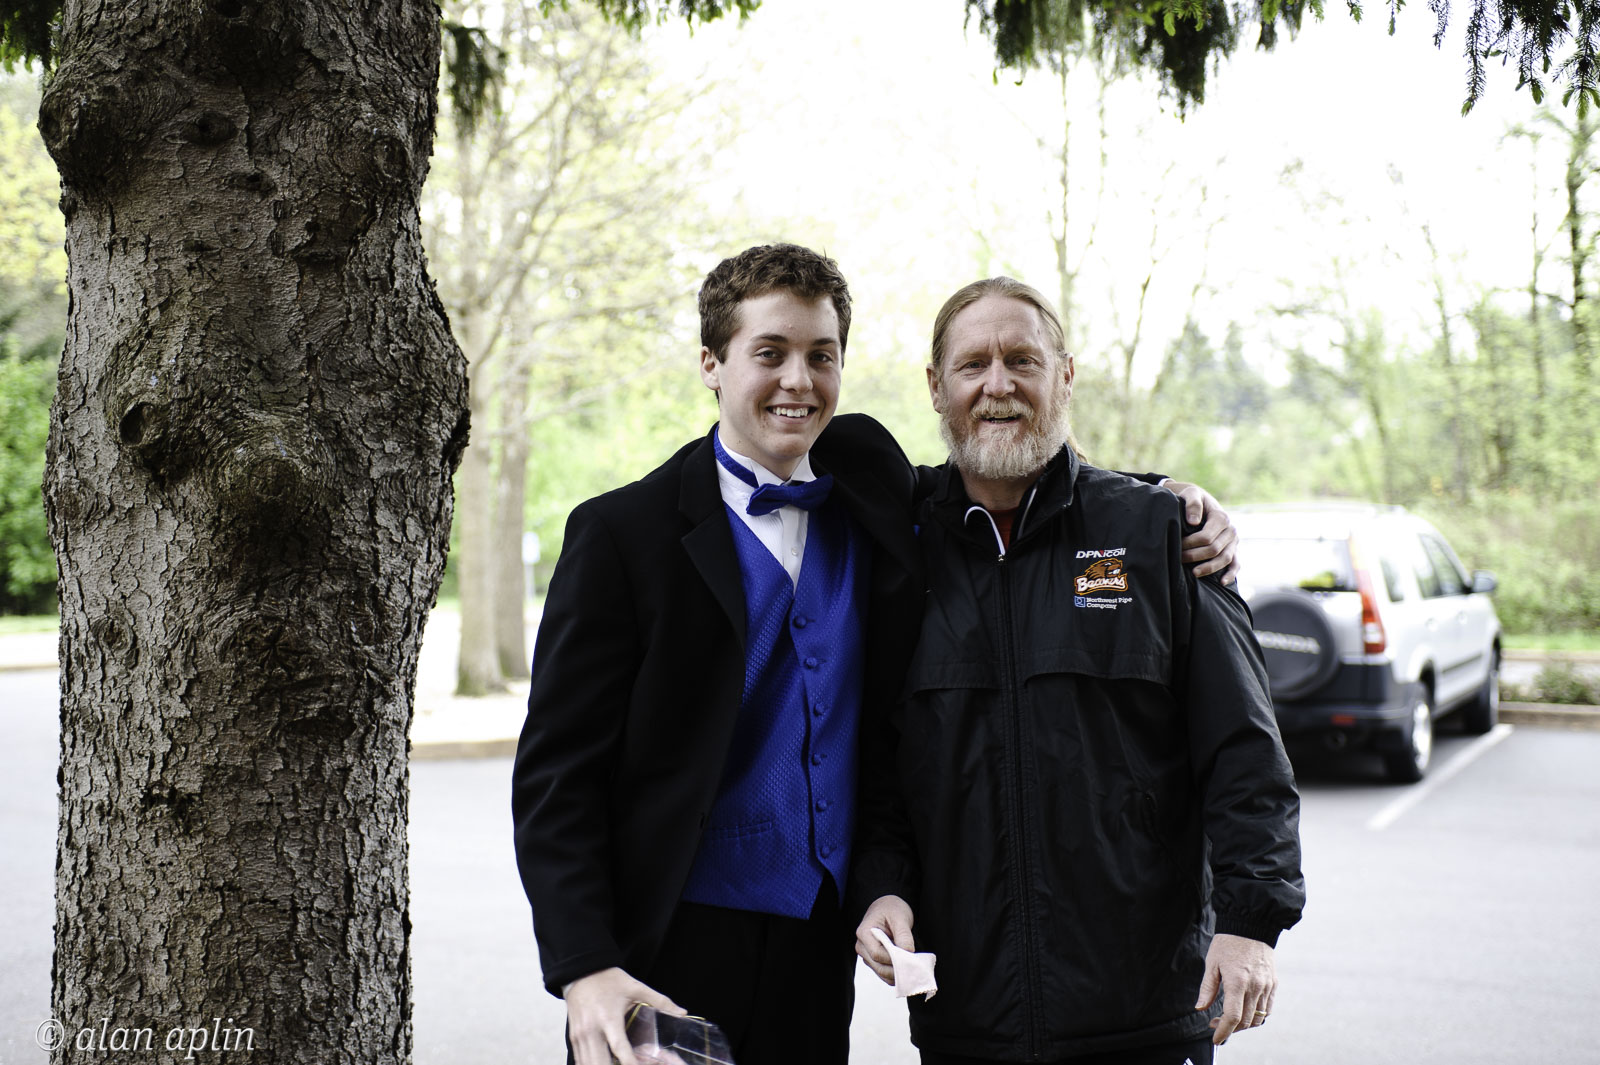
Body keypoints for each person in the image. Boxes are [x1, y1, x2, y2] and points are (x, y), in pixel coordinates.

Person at [512, 246, 1239, 1065]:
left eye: (821, 355)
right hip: (664, 948)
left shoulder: (870, 490)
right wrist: (584, 966)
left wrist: (1168, 499)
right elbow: (557, 775)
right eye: (769, 353)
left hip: (814, 953)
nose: (798, 380)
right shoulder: (621, 534)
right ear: (711, 363)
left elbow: (1015, 472)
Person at [854, 277, 1305, 1065]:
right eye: (973, 364)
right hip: (969, 1025)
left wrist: (1251, 923)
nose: (998, 384)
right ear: (936, 386)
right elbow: (881, 766)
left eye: (1023, 360)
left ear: (1065, 376)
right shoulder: (900, 551)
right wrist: (881, 885)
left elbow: (1244, 749)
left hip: (1148, 1016)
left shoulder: (1158, 531)